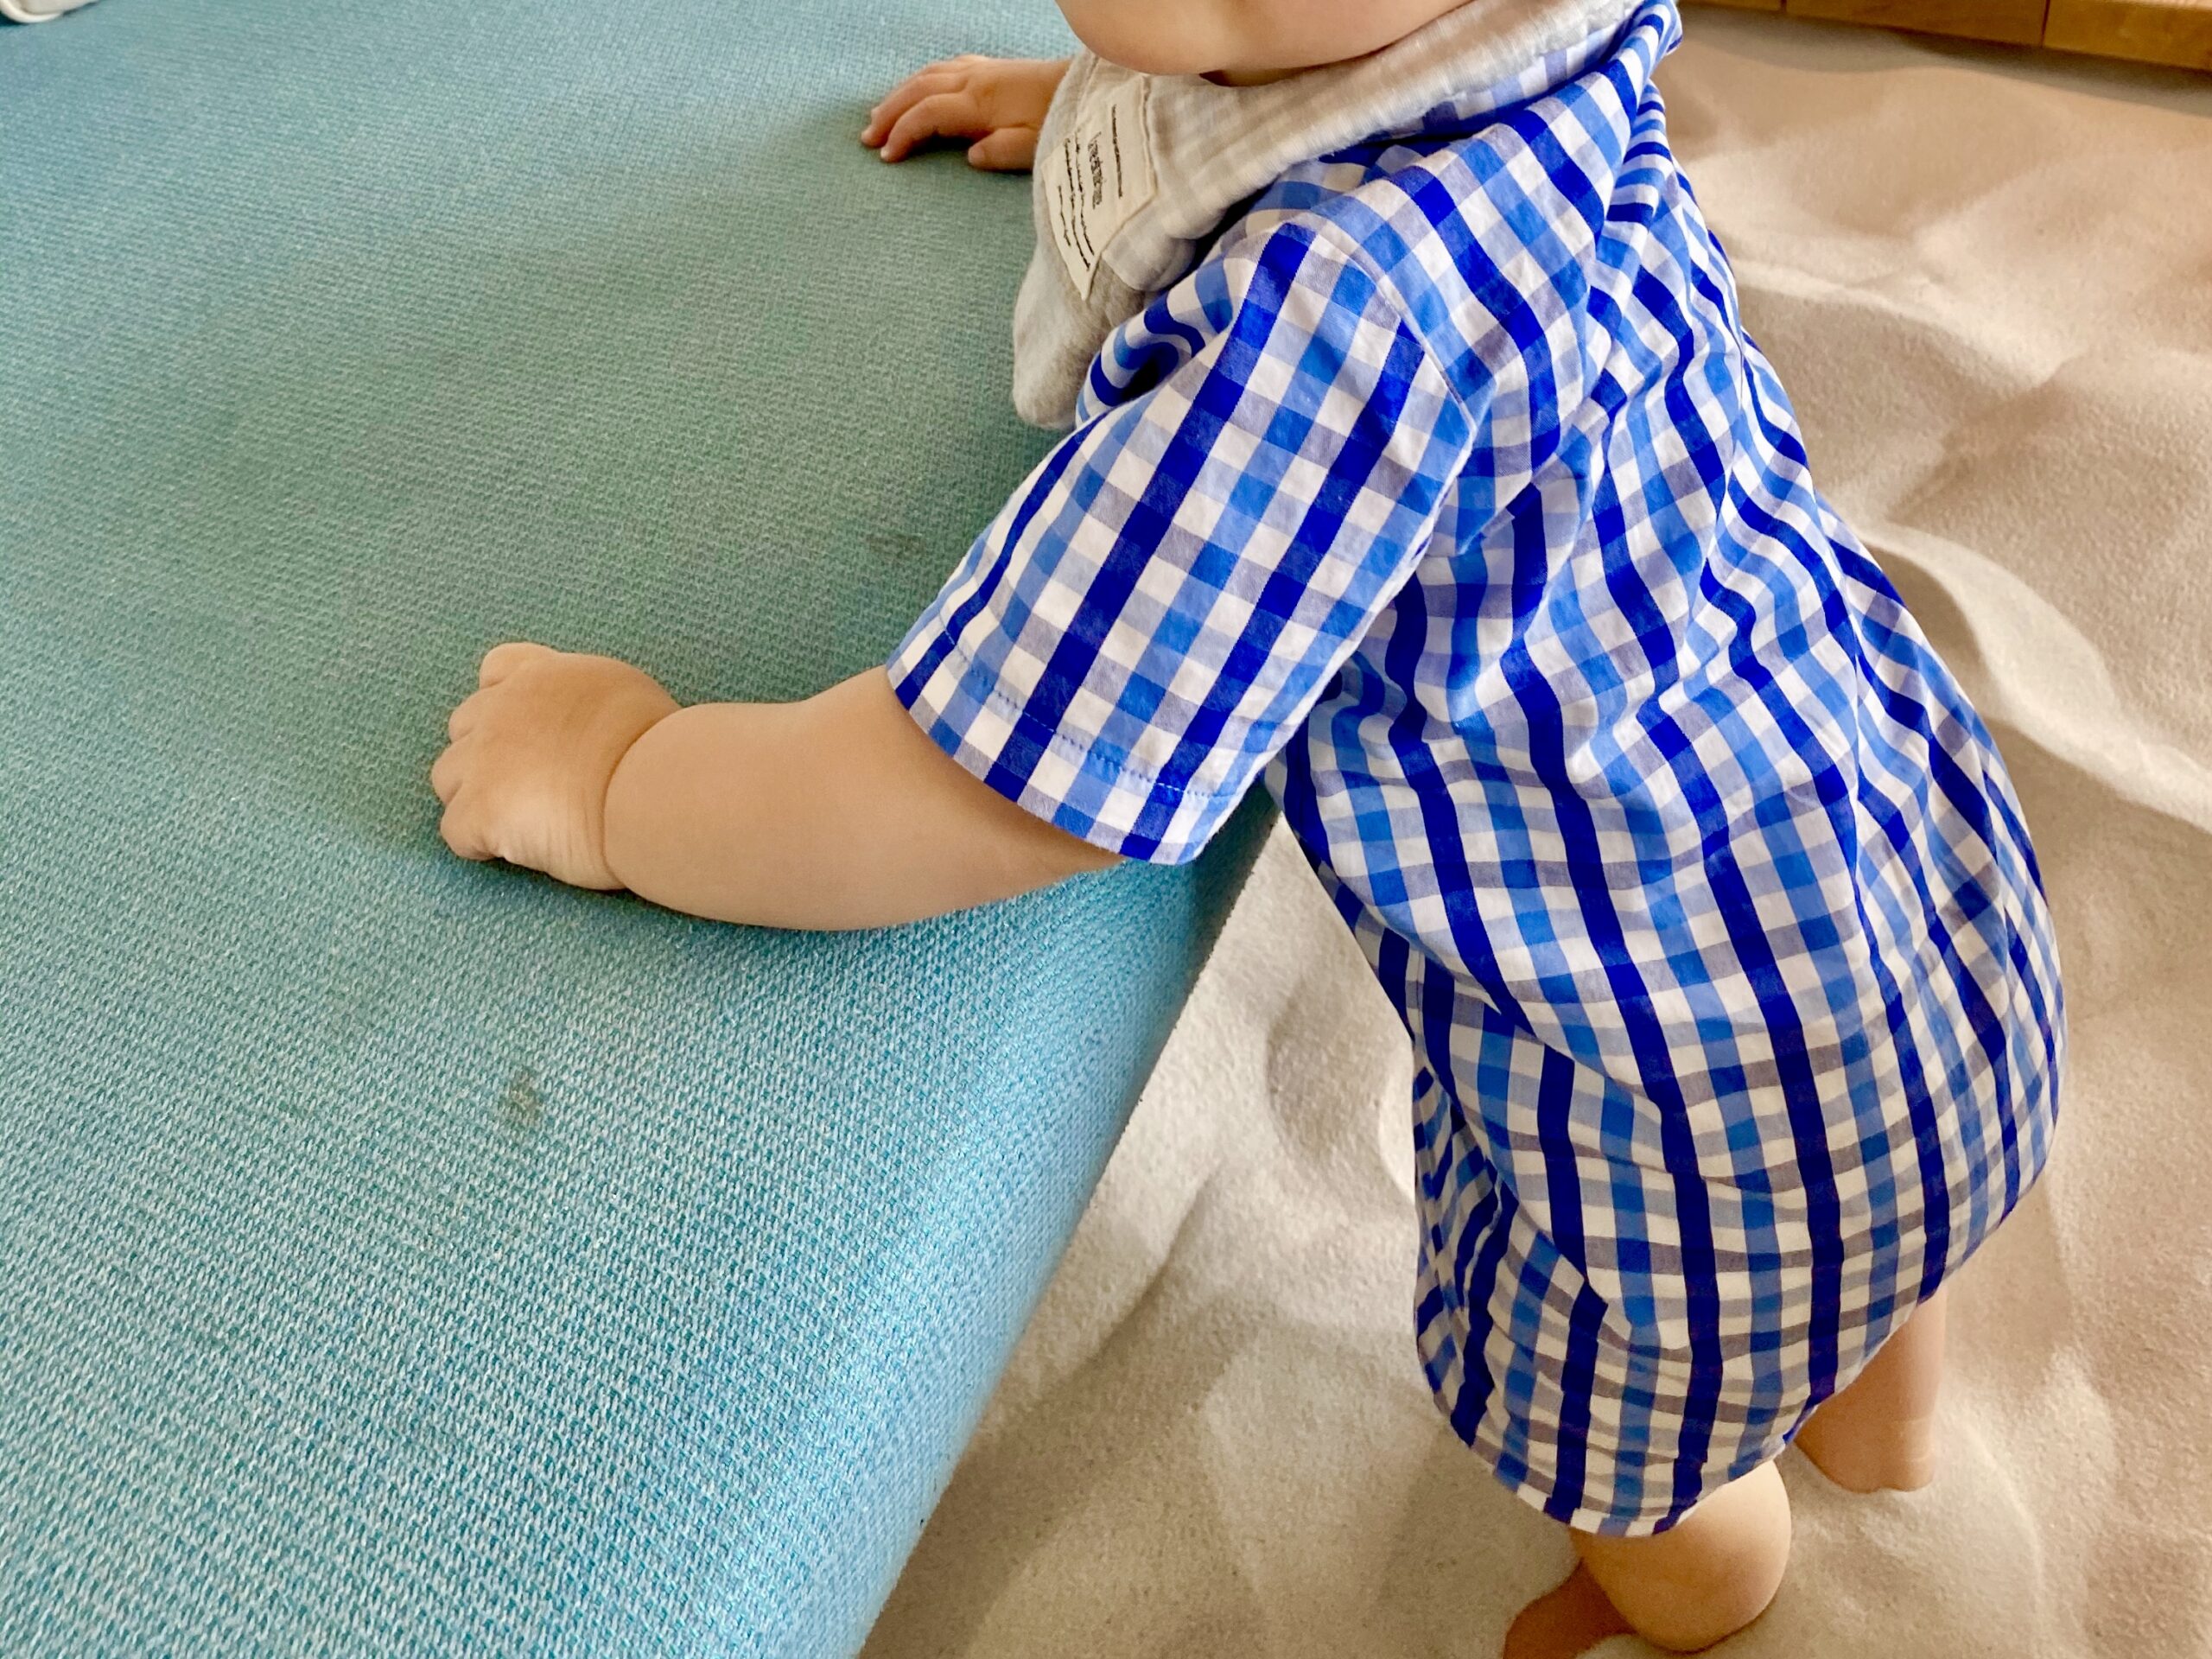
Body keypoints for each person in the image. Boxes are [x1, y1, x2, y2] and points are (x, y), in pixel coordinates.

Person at [429, 1, 2063, 1649]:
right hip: (1913, 864)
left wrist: (617, 782)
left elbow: (999, 782)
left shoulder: (1336, 322)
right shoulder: (1552, 47)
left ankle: (1704, 1591)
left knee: (1629, 1447)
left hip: (1673, 1113)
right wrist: (1112, 118)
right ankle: (1882, 1425)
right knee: (1882, 1207)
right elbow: (1317, 54)